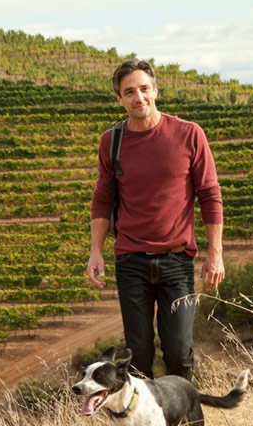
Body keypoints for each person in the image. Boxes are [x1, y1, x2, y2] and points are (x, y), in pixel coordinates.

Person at [87, 59, 225, 382]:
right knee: (138, 356)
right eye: (129, 92)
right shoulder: (112, 142)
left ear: (156, 90)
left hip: (177, 261)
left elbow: (210, 194)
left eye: (144, 89)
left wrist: (215, 252)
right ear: (118, 99)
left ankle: (187, 425)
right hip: (131, 262)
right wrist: (96, 250)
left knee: (178, 352)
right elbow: (102, 198)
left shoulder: (189, 134)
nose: (139, 98)